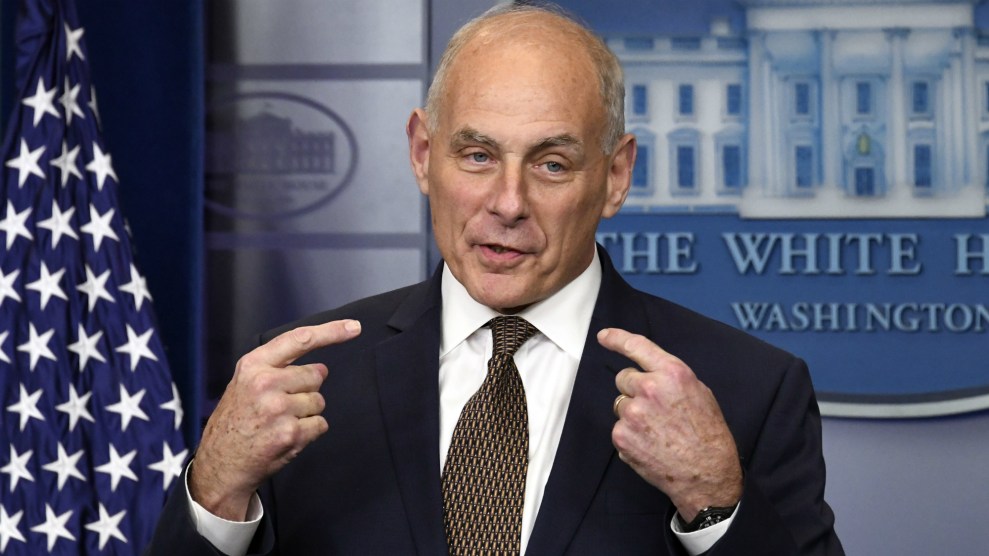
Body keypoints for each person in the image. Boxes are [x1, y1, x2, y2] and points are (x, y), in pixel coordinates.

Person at [147, 4, 843, 555]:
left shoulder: (746, 390)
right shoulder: (302, 377)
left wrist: (714, 500)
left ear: (615, 176)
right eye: (477, 155)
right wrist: (215, 494)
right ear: (423, 153)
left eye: (551, 164)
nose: (507, 203)